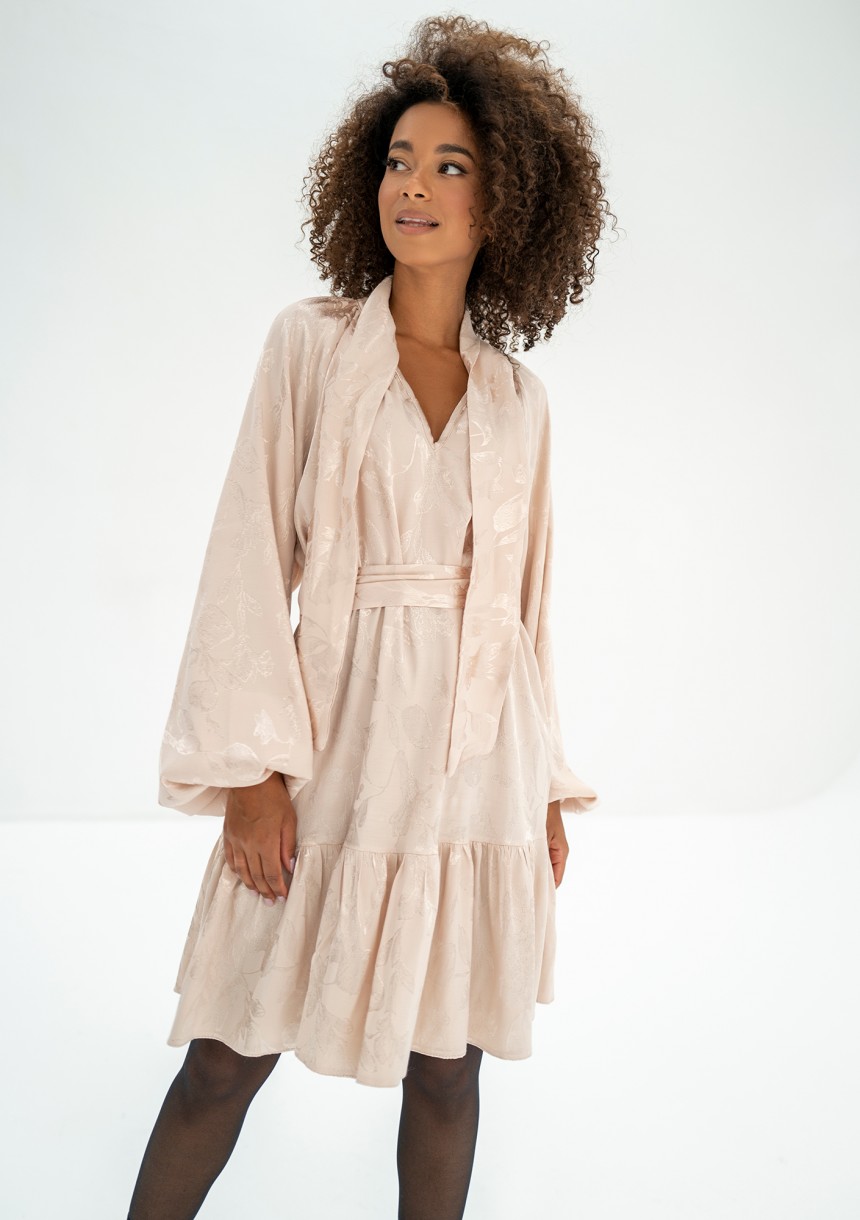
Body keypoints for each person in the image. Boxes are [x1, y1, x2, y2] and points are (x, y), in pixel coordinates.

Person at [127, 14, 614, 1219]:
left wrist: (543, 788)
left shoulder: (519, 401)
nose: (414, 185)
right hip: (333, 741)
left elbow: (525, 611)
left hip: (474, 769)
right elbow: (247, 554)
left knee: (447, 1068)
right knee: (226, 1052)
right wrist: (251, 771)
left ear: (502, 205)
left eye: (450, 165)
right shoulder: (310, 347)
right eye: (398, 160)